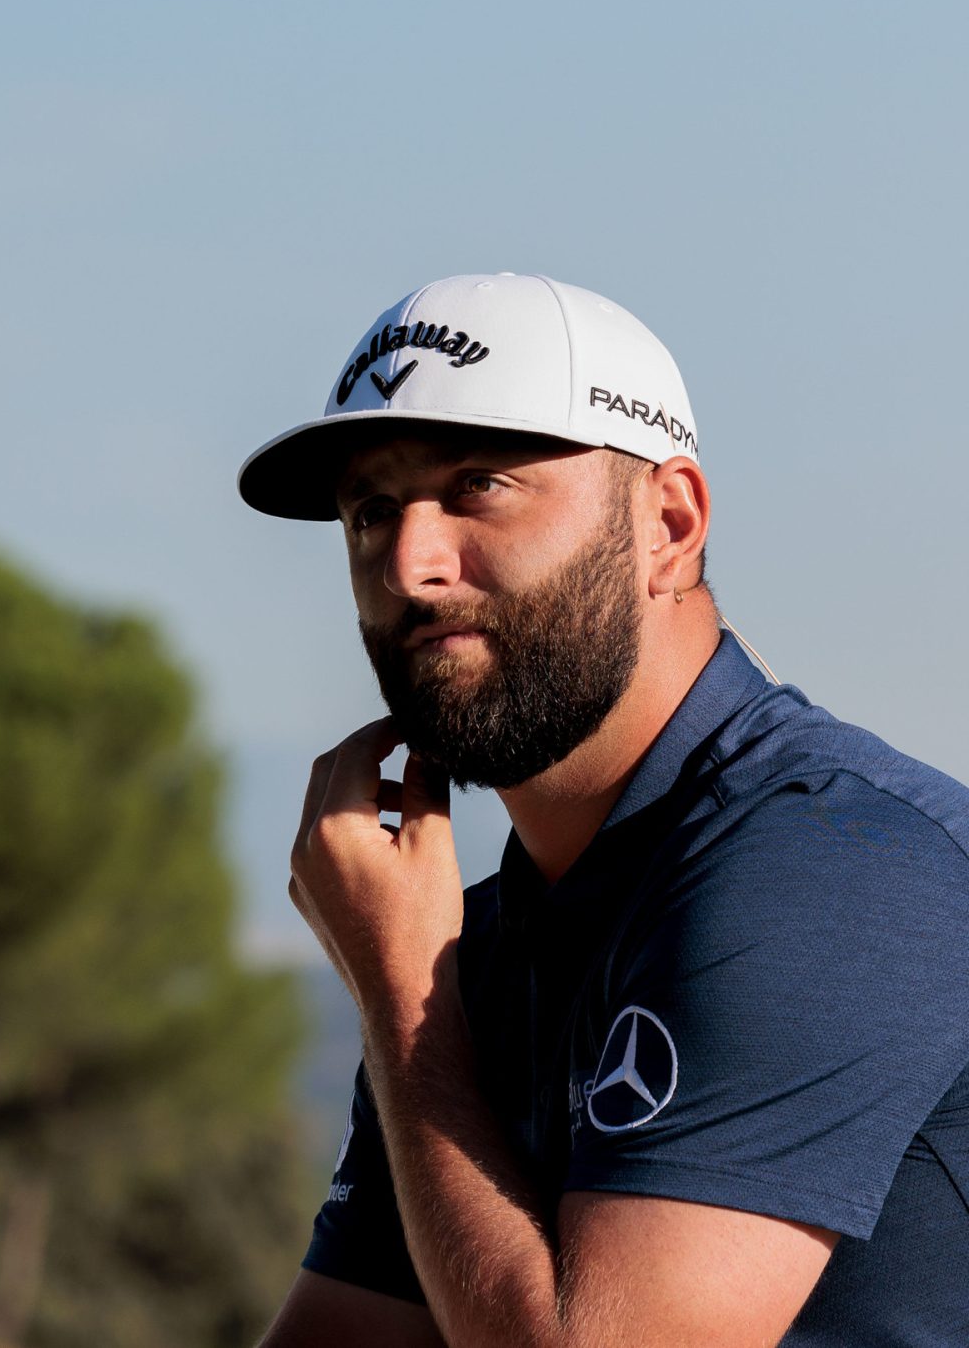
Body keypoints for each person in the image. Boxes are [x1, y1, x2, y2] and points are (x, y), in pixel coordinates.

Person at [243, 274, 969, 1347]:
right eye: (371, 510)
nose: (409, 563)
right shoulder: (473, 951)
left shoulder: (836, 868)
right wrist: (419, 997)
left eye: (478, 485)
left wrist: (402, 1002)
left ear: (667, 525)